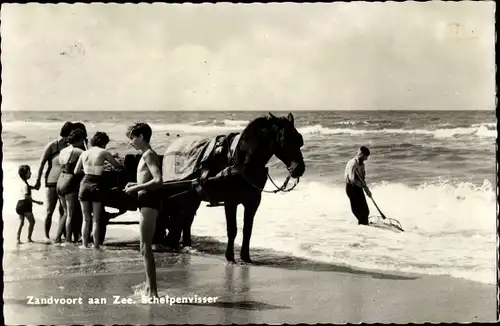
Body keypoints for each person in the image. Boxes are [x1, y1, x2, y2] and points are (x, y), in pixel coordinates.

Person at [124, 122, 162, 299]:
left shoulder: (148, 155)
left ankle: (153, 292)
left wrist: (135, 189)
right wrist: (136, 185)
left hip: (149, 201)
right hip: (145, 200)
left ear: (141, 137)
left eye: (132, 138)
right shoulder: (145, 155)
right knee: (143, 247)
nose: (131, 142)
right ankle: (149, 287)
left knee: (146, 247)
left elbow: (158, 180)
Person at [75, 131, 123, 249]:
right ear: (103, 143)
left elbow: (76, 171)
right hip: (96, 185)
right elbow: (118, 166)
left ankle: (84, 245)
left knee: (86, 219)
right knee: (96, 220)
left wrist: (88, 171)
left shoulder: (84, 153)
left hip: (84, 185)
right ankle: (96, 246)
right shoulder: (104, 152)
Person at [34, 121, 73, 242]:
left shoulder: (69, 147)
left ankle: (60, 235)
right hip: (51, 181)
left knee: (63, 210)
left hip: (63, 182)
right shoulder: (52, 145)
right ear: (67, 134)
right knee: (50, 210)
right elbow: (41, 163)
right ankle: (46, 235)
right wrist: (38, 180)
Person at [55, 128, 87, 244]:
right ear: (81, 140)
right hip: (70, 182)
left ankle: (58, 238)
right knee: (70, 214)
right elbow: (87, 164)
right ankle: (68, 240)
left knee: (64, 213)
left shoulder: (63, 150)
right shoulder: (79, 151)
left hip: (60, 180)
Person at [344, 146, 372, 226]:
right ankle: (361, 230)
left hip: (359, 188)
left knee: (366, 211)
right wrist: (364, 187)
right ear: (361, 154)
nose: (366, 159)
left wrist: (367, 190)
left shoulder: (362, 165)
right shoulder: (353, 164)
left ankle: (364, 227)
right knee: (358, 212)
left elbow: (362, 179)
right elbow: (353, 180)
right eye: (366, 156)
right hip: (351, 188)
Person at [16, 165, 43, 244]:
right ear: (25, 174)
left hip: (19, 205)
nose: (30, 173)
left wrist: (33, 187)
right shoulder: (25, 185)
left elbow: (27, 188)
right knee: (32, 222)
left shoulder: (23, 182)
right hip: (25, 205)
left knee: (21, 222)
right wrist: (38, 202)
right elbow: (27, 198)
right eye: (29, 172)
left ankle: (17, 239)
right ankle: (29, 238)